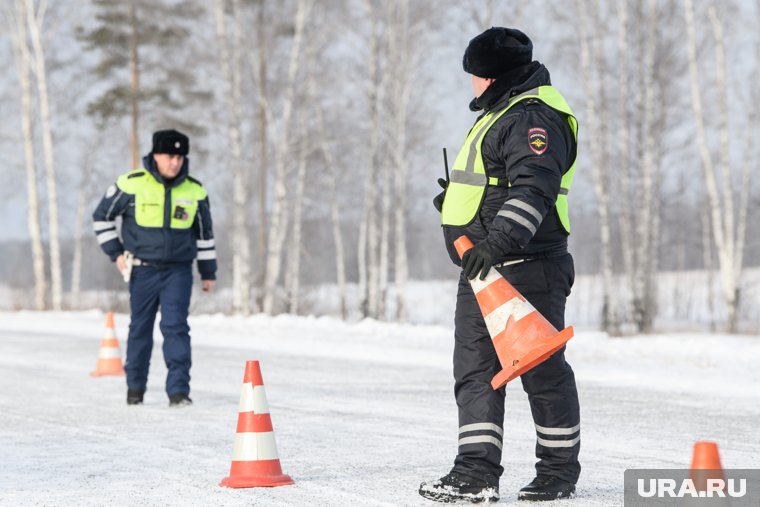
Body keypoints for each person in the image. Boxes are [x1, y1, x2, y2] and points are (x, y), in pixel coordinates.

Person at [420, 28, 581, 503]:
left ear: (491, 75)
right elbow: (497, 183)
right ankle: (475, 473)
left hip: (527, 267)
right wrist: (459, 206)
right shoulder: (501, 114)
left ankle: (557, 473)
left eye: (474, 74)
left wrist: (497, 241)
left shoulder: (534, 117)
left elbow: (534, 190)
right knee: (474, 372)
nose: (470, 83)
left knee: (541, 372)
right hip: (484, 270)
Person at [92, 129, 217, 407]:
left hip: (178, 271)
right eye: (169, 156)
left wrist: (208, 272)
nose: (175, 162)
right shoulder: (131, 184)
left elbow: (205, 235)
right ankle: (135, 389)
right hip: (142, 270)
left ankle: (178, 392)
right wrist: (115, 254)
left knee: (175, 327)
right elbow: (101, 217)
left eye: (180, 157)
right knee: (140, 328)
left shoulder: (195, 191)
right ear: (156, 155)